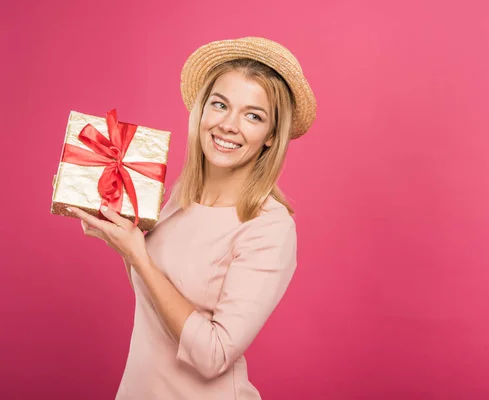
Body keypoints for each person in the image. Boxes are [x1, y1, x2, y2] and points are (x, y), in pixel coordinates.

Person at [67, 37, 317, 399]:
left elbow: (213, 356)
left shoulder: (270, 227)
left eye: (253, 115)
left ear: (270, 136)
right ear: (201, 111)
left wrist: (137, 254)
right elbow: (157, 295)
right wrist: (121, 241)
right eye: (220, 105)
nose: (229, 125)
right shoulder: (182, 195)